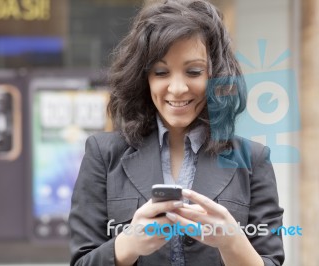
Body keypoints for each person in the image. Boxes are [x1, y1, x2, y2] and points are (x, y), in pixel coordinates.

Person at [68, 0, 284, 265]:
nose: (178, 88)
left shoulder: (253, 159)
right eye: (161, 72)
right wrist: (128, 243)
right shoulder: (103, 154)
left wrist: (232, 242)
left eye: (193, 71)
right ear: (143, 77)